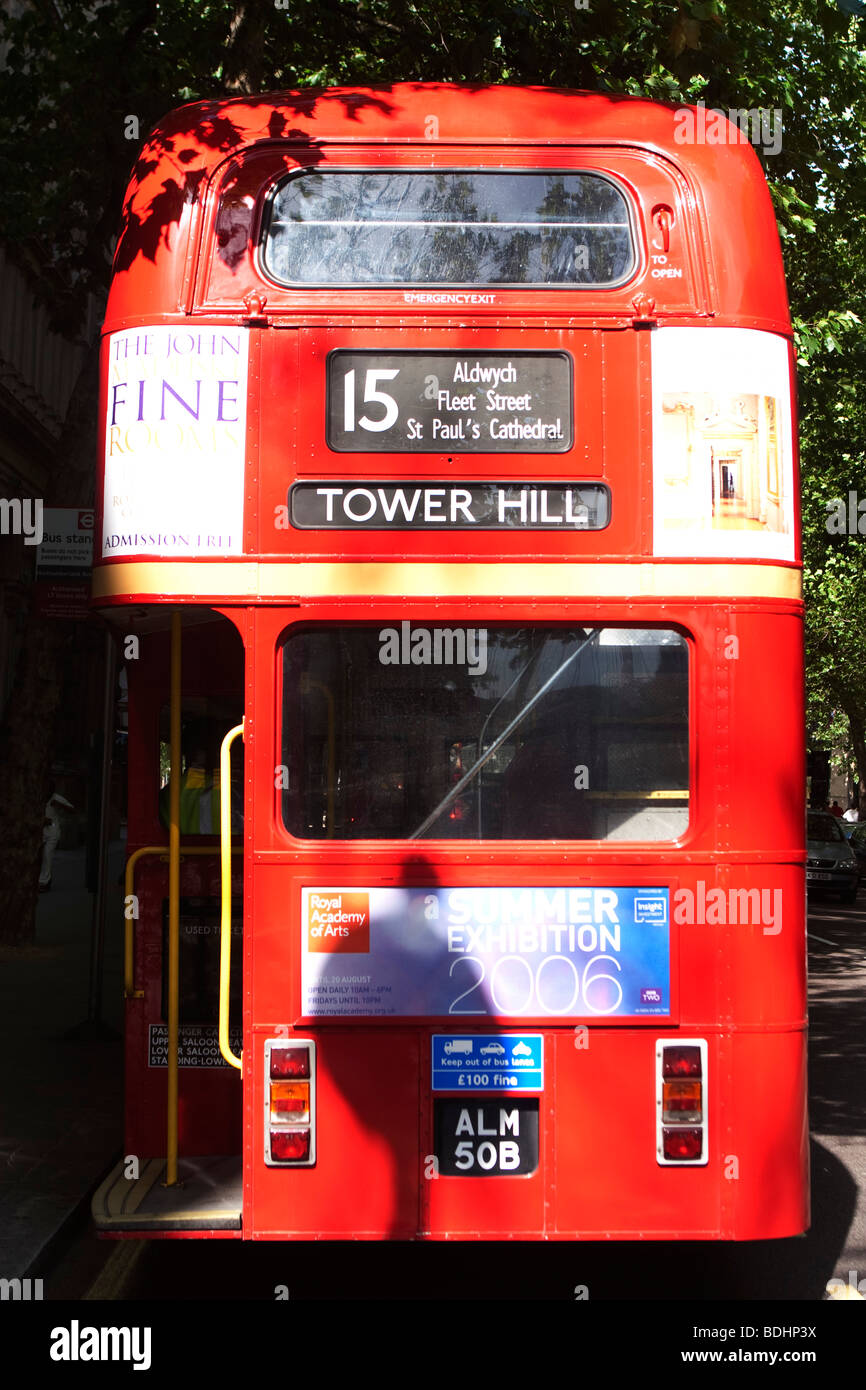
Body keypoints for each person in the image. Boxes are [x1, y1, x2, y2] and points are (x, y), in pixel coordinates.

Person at [39, 784, 74, 890]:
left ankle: (44, 881)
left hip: (52, 830)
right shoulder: (38, 796)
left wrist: (60, 805)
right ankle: (41, 878)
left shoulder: (57, 798)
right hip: (40, 830)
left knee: (47, 854)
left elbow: (72, 809)